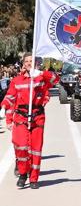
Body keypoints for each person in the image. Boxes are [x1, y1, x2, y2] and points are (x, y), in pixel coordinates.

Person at [0, 53, 59, 189]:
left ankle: (33, 178)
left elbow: (55, 79)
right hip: (21, 117)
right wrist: (4, 107)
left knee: (36, 150)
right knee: (20, 146)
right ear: (23, 63)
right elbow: (10, 96)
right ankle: (22, 173)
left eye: (31, 61)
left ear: (35, 63)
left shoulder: (41, 78)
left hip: (37, 117)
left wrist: (41, 73)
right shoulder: (17, 80)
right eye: (26, 61)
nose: (28, 63)